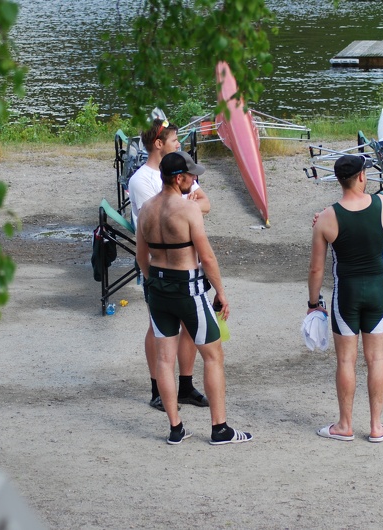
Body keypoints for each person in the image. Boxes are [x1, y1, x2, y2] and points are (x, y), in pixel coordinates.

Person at [136, 151, 253, 445]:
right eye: (191, 176)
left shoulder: (146, 209)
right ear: (179, 179)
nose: (194, 180)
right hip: (188, 288)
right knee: (213, 355)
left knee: (165, 360)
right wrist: (221, 292)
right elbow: (207, 257)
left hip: (158, 287)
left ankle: (176, 429)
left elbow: (140, 257)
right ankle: (220, 428)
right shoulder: (188, 210)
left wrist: (153, 283)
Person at [308, 154, 383, 443]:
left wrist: (313, 303)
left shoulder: (326, 218)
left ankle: (345, 425)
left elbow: (316, 269)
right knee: (376, 358)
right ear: (361, 177)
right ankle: (376, 427)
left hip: (347, 293)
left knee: (346, 360)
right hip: (378, 290)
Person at [129, 119, 211, 412]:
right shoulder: (141, 180)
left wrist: (186, 207)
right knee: (158, 330)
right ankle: (157, 390)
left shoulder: (180, 168)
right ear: (158, 144)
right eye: (174, 140)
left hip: (188, 264)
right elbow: (159, 217)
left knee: (189, 326)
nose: (179, 144)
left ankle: (185, 386)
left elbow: (206, 203)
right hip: (158, 266)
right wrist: (188, 207)